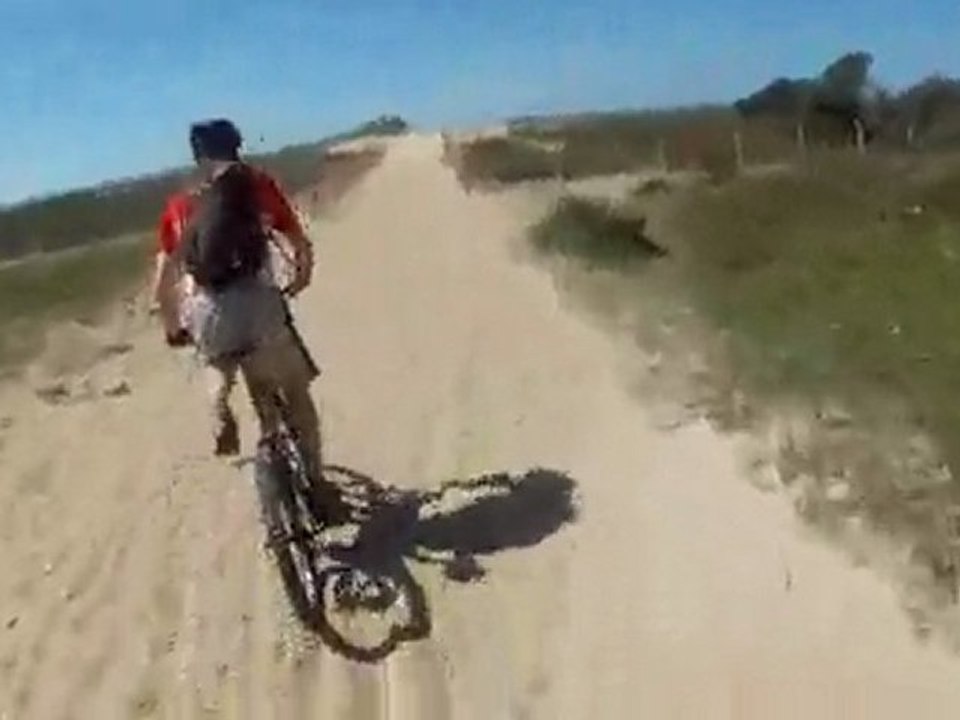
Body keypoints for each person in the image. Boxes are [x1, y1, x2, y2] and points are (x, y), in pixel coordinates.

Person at [154, 119, 324, 486]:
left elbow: (162, 284)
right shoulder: (256, 185)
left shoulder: (181, 205)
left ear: (197, 155)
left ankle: (218, 404)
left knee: (217, 360)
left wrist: (173, 328)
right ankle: (316, 480)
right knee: (295, 391)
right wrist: (300, 278)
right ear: (236, 147)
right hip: (257, 302)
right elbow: (299, 244)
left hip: (205, 309)